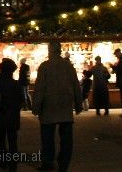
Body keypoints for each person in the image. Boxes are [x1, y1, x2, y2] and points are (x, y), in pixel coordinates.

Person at [32, 42, 82, 172]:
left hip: (49, 106)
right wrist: (78, 103)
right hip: (65, 105)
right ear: (59, 50)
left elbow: (40, 88)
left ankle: (48, 162)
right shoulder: (68, 66)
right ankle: (64, 162)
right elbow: (76, 85)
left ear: (49, 51)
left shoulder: (45, 66)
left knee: (47, 136)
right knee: (66, 138)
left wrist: (36, 106)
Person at [0, 58, 23, 171]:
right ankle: (13, 164)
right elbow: (21, 101)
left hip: (0, 115)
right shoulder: (16, 84)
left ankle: (1, 161)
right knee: (12, 141)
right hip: (12, 116)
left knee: (0, 139)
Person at [112, 48, 122, 117]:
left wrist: (113, 67)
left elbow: (119, 70)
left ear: (118, 53)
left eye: (116, 55)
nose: (116, 56)